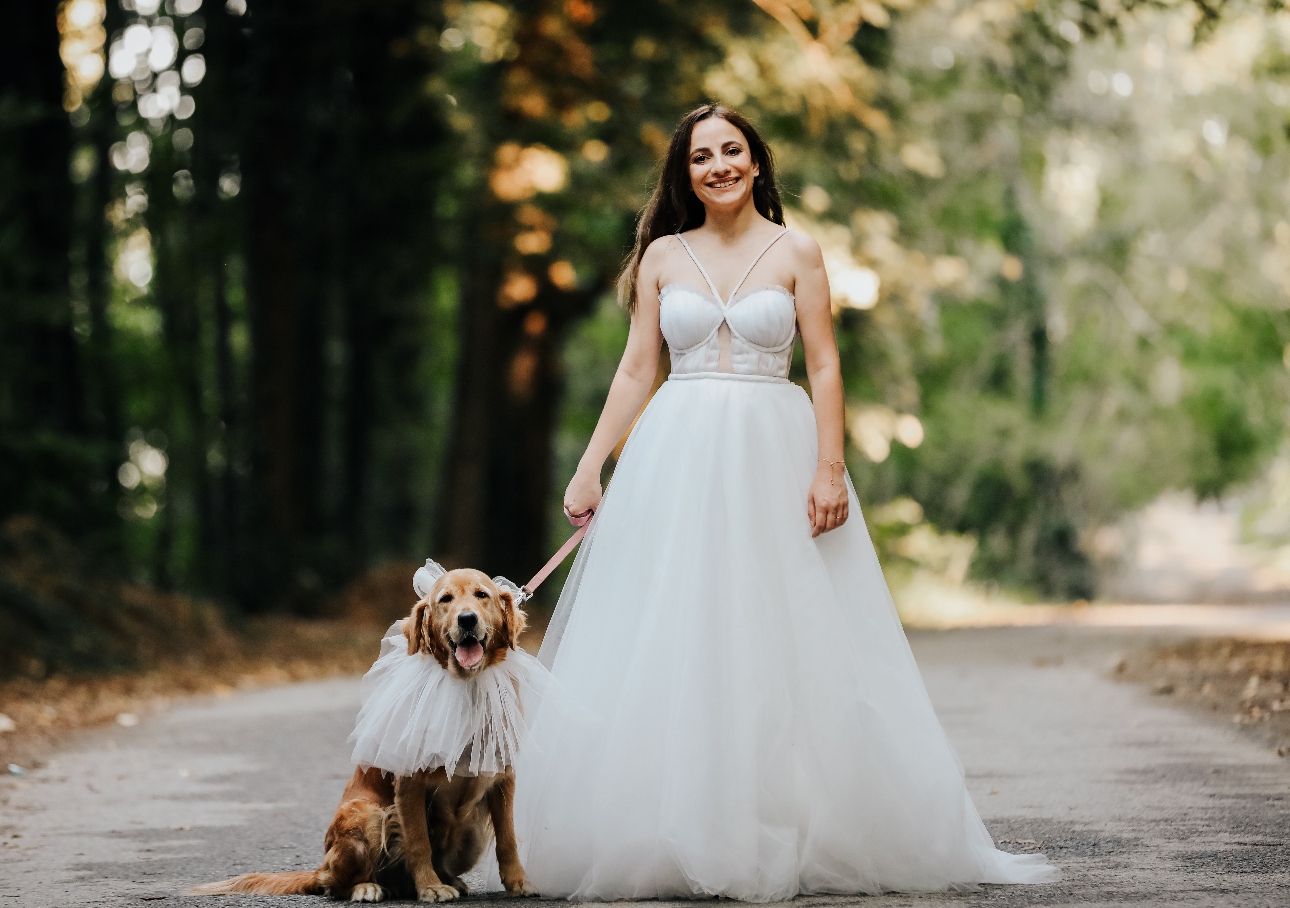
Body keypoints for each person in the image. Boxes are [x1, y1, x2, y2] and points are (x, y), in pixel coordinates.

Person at [511, 104, 1060, 900]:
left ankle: (786, 825)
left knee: (783, 632)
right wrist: (593, 466)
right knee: (677, 627)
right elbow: (637, 370)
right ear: (685, 173)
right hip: (678, 456)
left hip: (777, 450)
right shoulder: (663, 257)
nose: (719, 165)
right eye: (702, 156)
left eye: (732, 150)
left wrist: (829, 469)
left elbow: (827, 366)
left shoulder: (796, 250)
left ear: (758, 163)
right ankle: (669, 829)